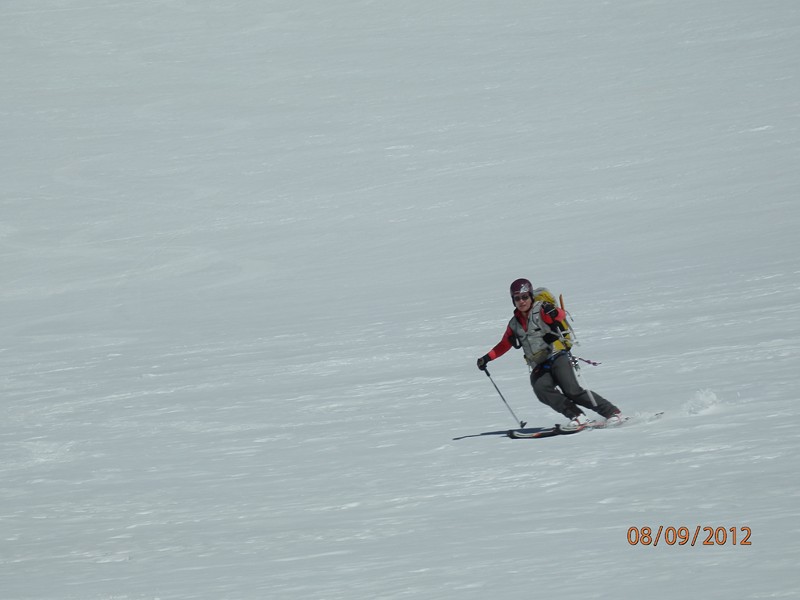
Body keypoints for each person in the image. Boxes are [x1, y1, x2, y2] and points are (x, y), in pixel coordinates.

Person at [476, 278, 622, 431]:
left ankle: (612, 412)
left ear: (531, 296)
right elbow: (504, 344)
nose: (522, 301)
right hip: (539, 363)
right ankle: (578, 417)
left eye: (525, 296)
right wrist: (486, 358)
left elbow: (559, 316)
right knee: (541, 388)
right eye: (517, 298)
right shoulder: (514, 324)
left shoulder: (541, 310)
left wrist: (553, 312)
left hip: (557, 355)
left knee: (571, 390)